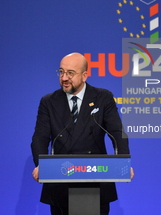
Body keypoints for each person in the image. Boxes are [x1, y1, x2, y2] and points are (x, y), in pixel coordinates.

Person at [31, 52, 133, 215]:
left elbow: (116, 132)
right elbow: (40, 137)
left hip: (95, 182)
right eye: (61, 72)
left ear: (84, 75)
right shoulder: (49, 101)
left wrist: (123, 161)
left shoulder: (102, 97)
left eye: (70, 73)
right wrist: (41, 165)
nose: (64, 78)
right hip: (60, 180)